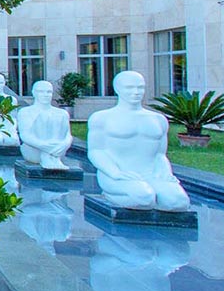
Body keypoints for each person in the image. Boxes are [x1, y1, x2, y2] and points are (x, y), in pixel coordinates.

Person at [87, 71, 189, 211]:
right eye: (129, 88)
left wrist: (166, 171)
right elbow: (95, 151)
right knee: (144, 198)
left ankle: (151, 193)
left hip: (150, 174)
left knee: (178, 202)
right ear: (117, 89)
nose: (136, 92)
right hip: (118, 174)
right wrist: (114, 172)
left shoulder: (158, 120)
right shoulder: (102, 118)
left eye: (140, 87)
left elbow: (160, 154)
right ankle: (112, 194)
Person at [16, 80, 73, 170]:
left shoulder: (61, 113)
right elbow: (25, 136)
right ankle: (47, 157)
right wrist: (46, 147)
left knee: (59, 114)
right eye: (41, 91)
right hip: (34, 151)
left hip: (57, 151)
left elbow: (68, 136)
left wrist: (64, 144)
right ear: (34, 93)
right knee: (44, 115)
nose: (45, 94)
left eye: (48, 92)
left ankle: (52, 158)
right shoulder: (25, 112)